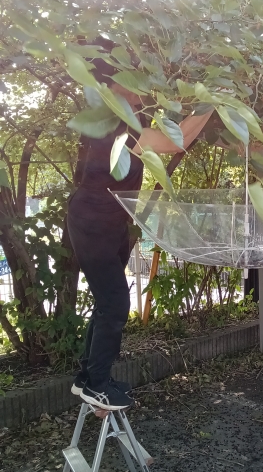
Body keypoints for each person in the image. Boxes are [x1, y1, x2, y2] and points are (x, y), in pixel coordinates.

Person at [68, 63, 213, 411]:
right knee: (116, 304)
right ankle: (97, 385)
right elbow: (174, 142)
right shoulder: (117, 126)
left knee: (107, 302)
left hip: (108, 224)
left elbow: (171, 134)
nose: (141, 90)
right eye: (133, 82)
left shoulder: (124, 120)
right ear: (115, 86)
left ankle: (88, 378)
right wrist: (213, 102)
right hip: (93, 224)